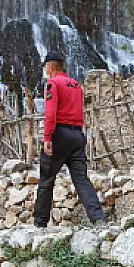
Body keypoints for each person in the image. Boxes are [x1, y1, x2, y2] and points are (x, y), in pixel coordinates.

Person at [34, 51, 106, 227]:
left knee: (47, 177)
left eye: (45, 67)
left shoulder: (52, 83)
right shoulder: (76, 85)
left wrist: (47, 137)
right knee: (81, 179)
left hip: (60, 134)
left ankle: (40, 223)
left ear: (50, 67)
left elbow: (50, 113)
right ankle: (98, 219)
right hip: (77, 135)